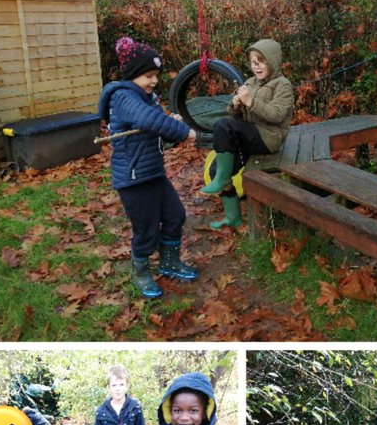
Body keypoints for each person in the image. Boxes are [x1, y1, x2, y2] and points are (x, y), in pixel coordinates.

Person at [97, 35, 198, 299]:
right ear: (132, 75)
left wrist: (170, 128)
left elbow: (155, 130)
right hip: (133, 179)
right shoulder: (124, 97)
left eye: (156, 75)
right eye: (147, 75)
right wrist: (182, 130)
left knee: (175, 215)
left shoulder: (145, 97)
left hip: (152, 171)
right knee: (146, 230)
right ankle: (141, 272)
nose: (153, 81)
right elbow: (147, 119)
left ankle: (169, 262)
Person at [201, 39, 295, 230]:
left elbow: (276, 115)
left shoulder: (282, 85)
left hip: (268, 138)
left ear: (273, 61)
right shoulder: (250, 82)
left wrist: (251, 102)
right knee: (216, 171)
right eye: (253, 62)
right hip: (249, 136)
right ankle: (233, 216)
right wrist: (236, 105)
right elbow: (237, 115)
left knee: (223, 126)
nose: (256, 66)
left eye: (261, 61)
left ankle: (223, 178)